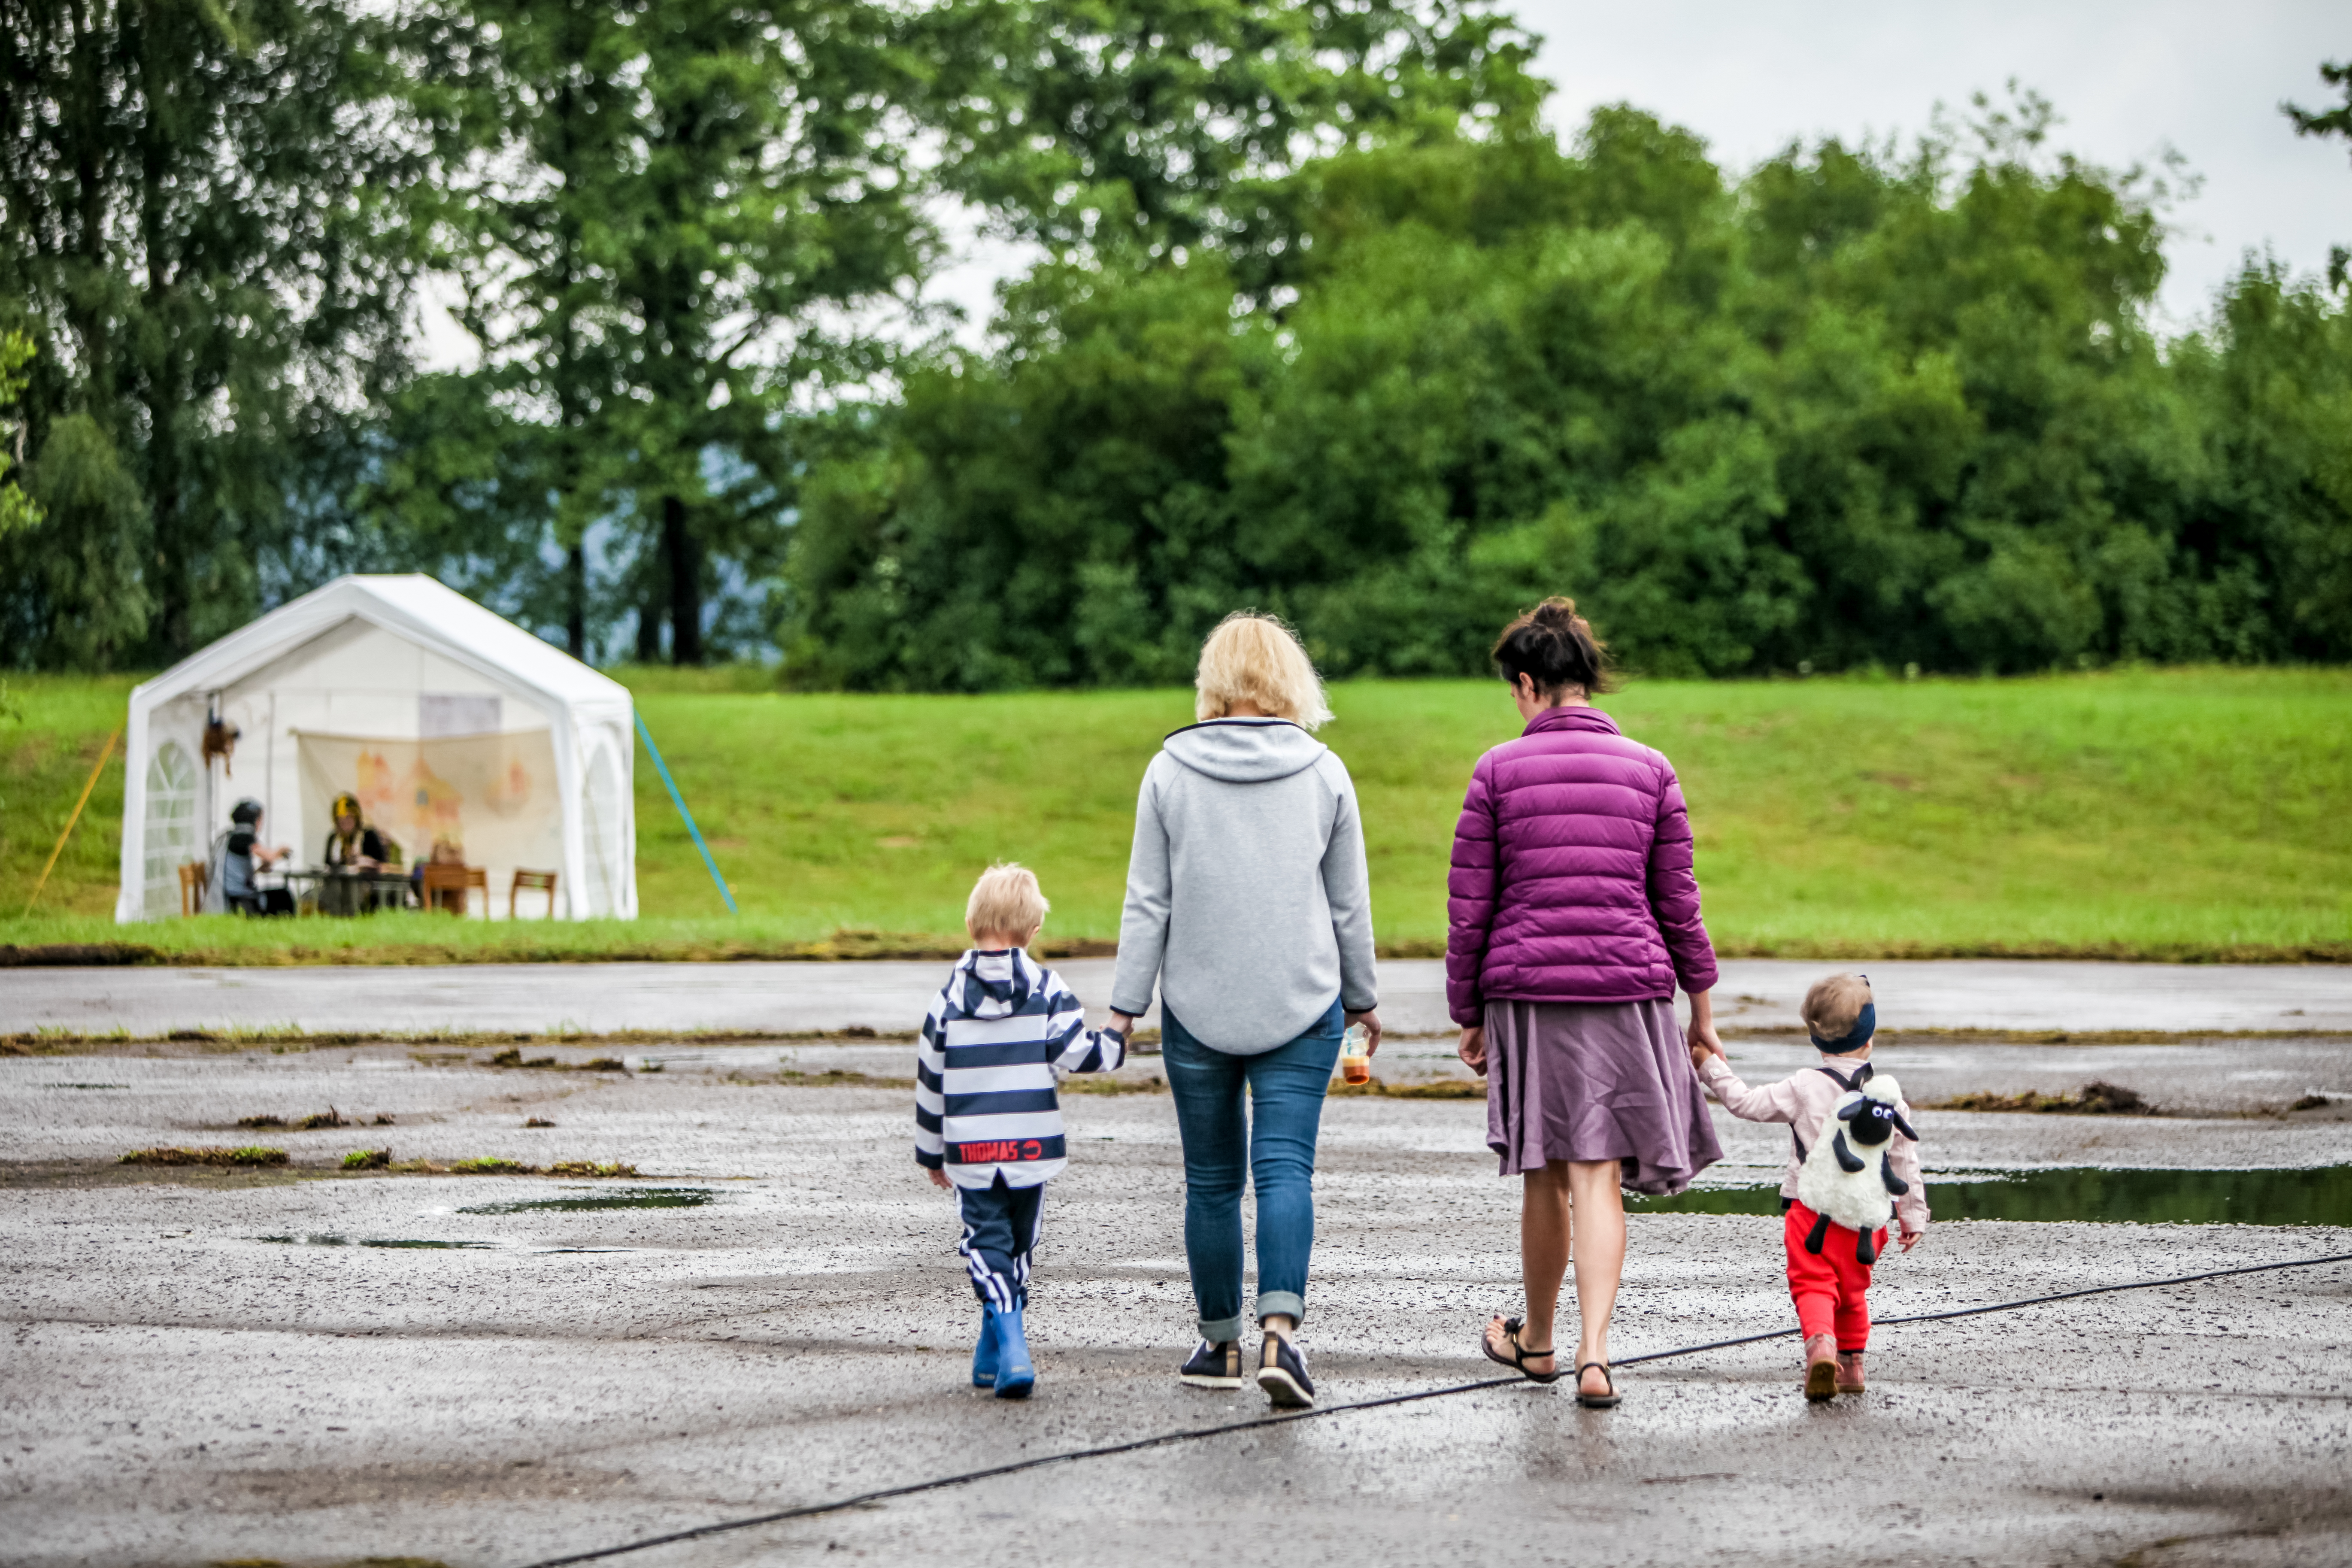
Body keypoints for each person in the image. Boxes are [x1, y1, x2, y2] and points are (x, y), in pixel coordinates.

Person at [1449, 596, 1723, 1408]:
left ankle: (1536, 1343)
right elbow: (1680, 903)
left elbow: (1472, 906)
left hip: (1529, 994)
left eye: (1514, 689)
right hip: (1626, 989)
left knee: (1544, 1171)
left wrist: (1469, 1010)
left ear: (1529, 682)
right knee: (1598, 1172)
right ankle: (1594, 1353)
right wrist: (1701, 1011)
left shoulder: (1497, 770)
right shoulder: (1652, 767)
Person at [1108, 612, 1379, 1410]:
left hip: (1196, 1007)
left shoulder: (1168, 770)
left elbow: (1146, 903)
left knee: (1213, 1179)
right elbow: (1348, 905)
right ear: (1293, 681)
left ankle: (1220, 1341)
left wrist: (1125, 1008)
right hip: (1302, 1006)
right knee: (1285, 1167)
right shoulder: (1325, 771)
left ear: (1212, 683)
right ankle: (1281, 1335)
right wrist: (1362, 997)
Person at [916, 863, 1128, 1400]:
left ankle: (1006, 1340)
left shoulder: (947, 997)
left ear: (970, 922)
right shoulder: (1045, 987)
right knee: (1019, 1242)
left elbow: (930, 1076)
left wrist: (931, 1150)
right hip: (1031, 1143)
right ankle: (1001, 1343)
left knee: (984, 1241)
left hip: (971, 1146)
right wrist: (1118, 1036)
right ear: (1033, 930)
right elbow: (1077, 1052)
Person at [1690, 973, 1927, 1399]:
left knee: (1814, 1284)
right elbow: (1903, 1157)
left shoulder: (1802, 1086)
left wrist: (1710, 1066)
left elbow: (1745, 1103)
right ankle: (1852, 1367)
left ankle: (1821, 1345)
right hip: (1866, 1221)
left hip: (1810, 1213)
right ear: (1869, 1040)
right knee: (1853, 1291)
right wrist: (1911, 1214)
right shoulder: (1887, 1097)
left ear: (1816, 1042)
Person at [209, 798, 294, 916]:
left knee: (280, 896)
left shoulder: (234, 835)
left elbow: (237, 873)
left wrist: (259, 869)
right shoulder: (243, 836)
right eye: (260, 819)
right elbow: (268, 856)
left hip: (235, 896)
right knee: (284, 896)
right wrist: (281, 851)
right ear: (255, 820)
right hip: (241, 900)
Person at [322, 792, 390, 869]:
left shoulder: (369, 836)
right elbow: (328, 867)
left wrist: (362, 861)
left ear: (357, 818)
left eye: (349, 817)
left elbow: (383, 866)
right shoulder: (334, 839)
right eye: (340, 819)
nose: (345, 822)